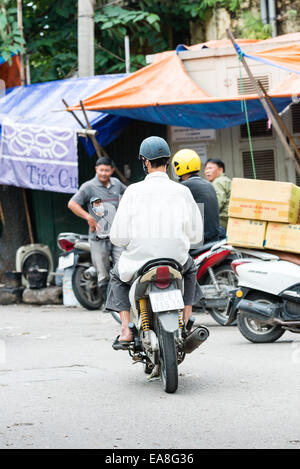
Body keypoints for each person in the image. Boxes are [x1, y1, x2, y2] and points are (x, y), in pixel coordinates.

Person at [105, 136, 203, 349]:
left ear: (145, 161)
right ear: (168, 161)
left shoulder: (132, 191)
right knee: (191, 268)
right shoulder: (183, 191)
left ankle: (126, 328)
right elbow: (196, 236)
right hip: (175, 260)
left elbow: (118, 237)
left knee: (116, 276)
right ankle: (187, 319)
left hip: (139, 262)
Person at [68, 156, 127, 298]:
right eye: (101, 170)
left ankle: (120, 301)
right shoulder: (88, 186)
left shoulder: (117, 184)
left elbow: (129, 195)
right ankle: (106, 304)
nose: (104, 173)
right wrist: (89, 218)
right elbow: (72, 204)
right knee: (103, 272)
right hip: (98, 237)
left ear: (112, 170)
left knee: (122, 268)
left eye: (107, 170)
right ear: (96, 169)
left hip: (116, 236)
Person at [172, 148, 220, 245]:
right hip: (214, 239)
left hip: (198, 243)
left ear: (179, 166)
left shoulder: (183, 187)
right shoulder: (208, 185)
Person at [204, 158, 232, 232]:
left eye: (210, 168)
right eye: (206, 169)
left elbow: (217, 204)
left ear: (220, 170)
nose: (207, 171)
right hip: (230, 222)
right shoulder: (227, 180)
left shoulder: (218, 182)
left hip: (222, 223)